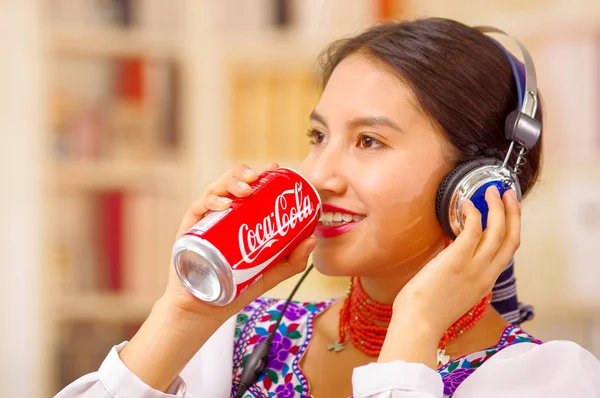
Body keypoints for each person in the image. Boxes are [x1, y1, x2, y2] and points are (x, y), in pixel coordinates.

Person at [56, 18, 600, 398]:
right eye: (318, 135)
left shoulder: (549, 381)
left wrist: (414, 330)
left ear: (476, 182)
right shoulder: (242, 337)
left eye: (369, 141)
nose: (318, 175)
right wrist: (183, 316)